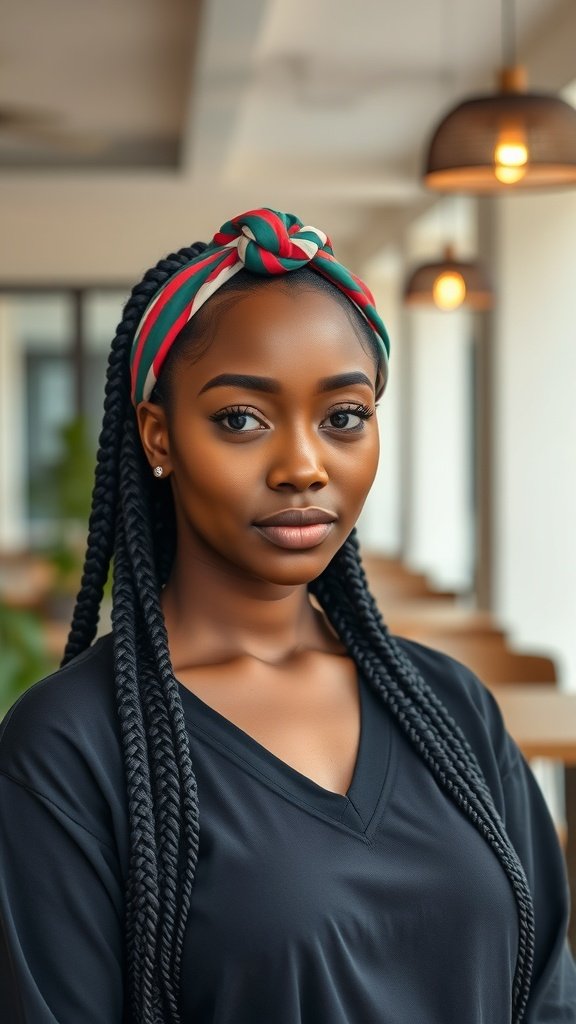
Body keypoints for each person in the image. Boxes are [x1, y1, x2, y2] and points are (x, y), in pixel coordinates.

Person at [0, 208, 574, 1024]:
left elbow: (549, 991)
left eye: (344, 417)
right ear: (158, 437)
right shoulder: (71, 747)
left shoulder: (451, 708)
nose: (303, 466)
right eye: (242, 419)